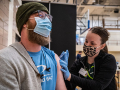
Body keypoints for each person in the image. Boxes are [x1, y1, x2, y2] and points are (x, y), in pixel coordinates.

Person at [0, 2, 67, 90]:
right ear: (25, 22)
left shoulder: (53, 57)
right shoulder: (6, 59)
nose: (47, 21)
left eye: (48, 17)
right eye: (41, 15)